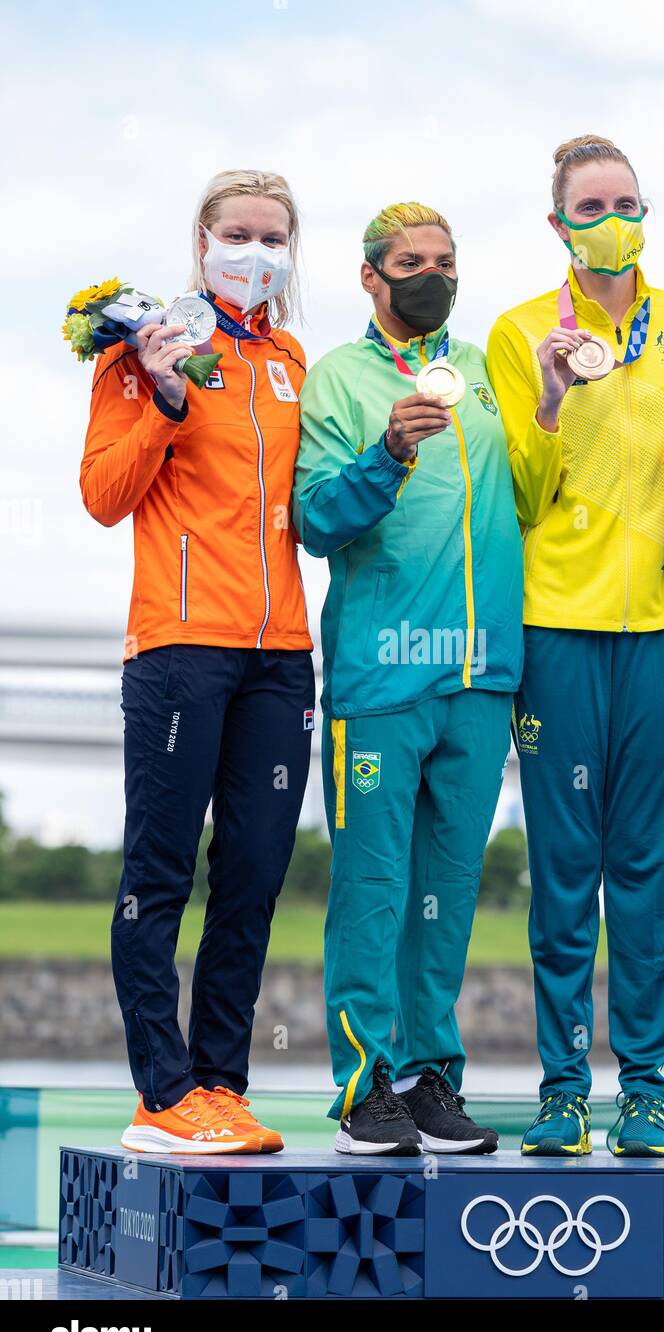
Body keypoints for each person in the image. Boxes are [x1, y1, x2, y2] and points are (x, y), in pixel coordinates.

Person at [487, 136, 664, 1158]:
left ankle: (646, 1088)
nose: (615, 219)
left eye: (629, 202)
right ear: (558, 225)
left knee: (650, 867)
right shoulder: (519, 333)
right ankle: (562, 1090)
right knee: (566, 869)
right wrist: (553, 401)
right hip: (557, 625)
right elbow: (516, 494)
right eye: (592, 206)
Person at [80, 169, 315, 1154]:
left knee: (254, 874)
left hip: (283, 654)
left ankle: (219, 1084)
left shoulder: (296, 358)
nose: (256, 253)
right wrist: (166, 398)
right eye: (239, 233)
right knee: (161, 872)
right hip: (180, 646)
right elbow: (103, 492)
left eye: (274, 238)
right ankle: (161, 1092)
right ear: (203, 238)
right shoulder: (144, 352)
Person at [293, 202, 523, 1155]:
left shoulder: (483, 370)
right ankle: (364, 1085)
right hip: (381, 679)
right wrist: (385, 453)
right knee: (376, 888)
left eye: (446, 260)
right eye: (410, 262)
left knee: (448, 892)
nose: (432, 275)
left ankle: (433, 1078)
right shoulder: (338, 378)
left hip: (480, 678)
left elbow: (533, 489)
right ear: (370, 277)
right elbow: (313, 520)